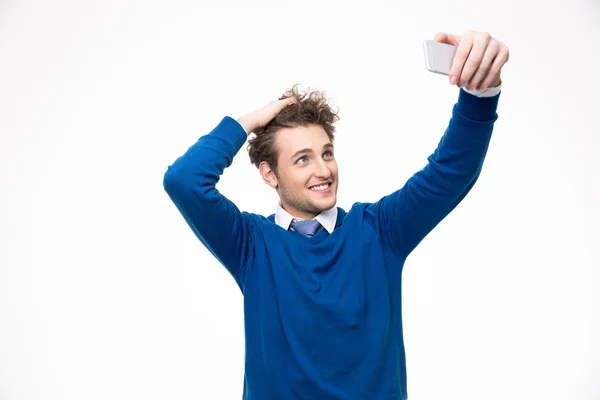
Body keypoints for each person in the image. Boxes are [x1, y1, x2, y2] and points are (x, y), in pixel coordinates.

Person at [163, 30, 509, 400]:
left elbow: (449, 173)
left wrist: (480, 94)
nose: (323, 170)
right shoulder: (250, 244)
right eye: (302, 159)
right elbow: (184, 180)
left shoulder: (379, 231)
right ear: (269, 174)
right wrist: (248, 121)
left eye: (326, 153)